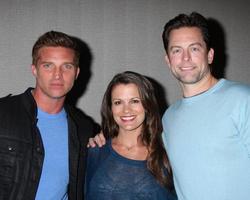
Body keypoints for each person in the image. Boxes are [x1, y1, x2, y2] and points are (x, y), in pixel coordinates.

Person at [162, 12, 250, 200]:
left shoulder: (242, 100)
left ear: (209, 55)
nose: (185, 58)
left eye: (194, 49)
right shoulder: (168, 117)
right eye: (176, 50)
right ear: (168, 61)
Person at [0, 31, 95, 200]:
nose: (57, 75)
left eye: (67, 66)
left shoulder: (84, 128)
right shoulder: (3, 113)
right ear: (34, 70)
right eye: (48, 65)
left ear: (77, 73)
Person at [85, 71, 177, 200]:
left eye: (134, 101)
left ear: (147, 105)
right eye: (118, 102)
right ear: (110, 108)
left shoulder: (169, 153)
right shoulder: (95, 151)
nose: (126, 110)